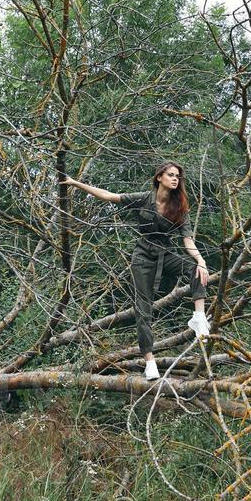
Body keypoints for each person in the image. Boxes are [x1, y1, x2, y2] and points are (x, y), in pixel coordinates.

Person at [65, 162, 210, 380]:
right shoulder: (143, 198)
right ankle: (149, 362)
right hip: (142, 256)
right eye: (170, 175)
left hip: (166, 252)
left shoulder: (180, 206)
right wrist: (75, 183)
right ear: (159, 177)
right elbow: (108, 196)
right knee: (143, 308)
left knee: (195, 267)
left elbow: (187, 241)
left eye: (178, 176)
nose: (175, 179)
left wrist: (201, 260)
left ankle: (198, 317)